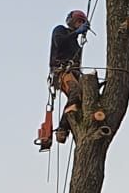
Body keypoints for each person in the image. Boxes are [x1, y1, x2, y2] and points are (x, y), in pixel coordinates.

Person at [37, 9, 90, 150]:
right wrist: (76, 33)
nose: (80, 24)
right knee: (75, 92)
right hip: (61, 71)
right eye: (78, 21)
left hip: (73, 73)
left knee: (85, 99)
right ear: (71, 21)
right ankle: (62, 129)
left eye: (82, 23)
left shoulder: (76, 44)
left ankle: (74, 127)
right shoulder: (60, 31)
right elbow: (60, 42)